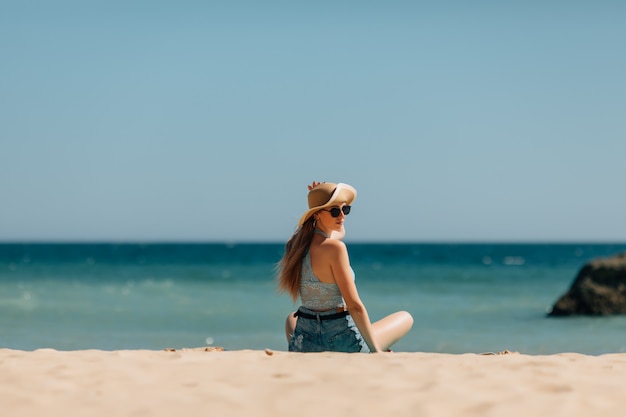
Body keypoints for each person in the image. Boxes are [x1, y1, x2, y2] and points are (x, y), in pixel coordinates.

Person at [277, 181, 413, 353]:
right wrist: (376, 351)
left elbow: (338, 232)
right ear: (317, 214)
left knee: (291, 318)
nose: (342, 216)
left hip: (305, 340)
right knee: (405, 317)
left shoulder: (295, 245)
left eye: (345, 209)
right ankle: (377, 348)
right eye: (335, 211)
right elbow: (355, 306)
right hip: (340, 340)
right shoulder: (335, 248)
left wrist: (317, 199)